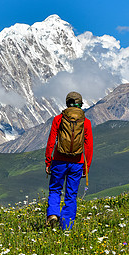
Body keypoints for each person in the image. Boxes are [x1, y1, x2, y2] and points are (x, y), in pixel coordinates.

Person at [45, 91, 93, 230]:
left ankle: (53, 214)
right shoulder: (86, 122)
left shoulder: (58, 119)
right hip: (77, 163)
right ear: (80, 105)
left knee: (55, 189)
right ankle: (66, 228)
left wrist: (48, 161)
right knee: (71, 195)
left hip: (58, 161)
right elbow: (88, 146)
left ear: (67, 104)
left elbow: (51, 142)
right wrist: (86, 167)